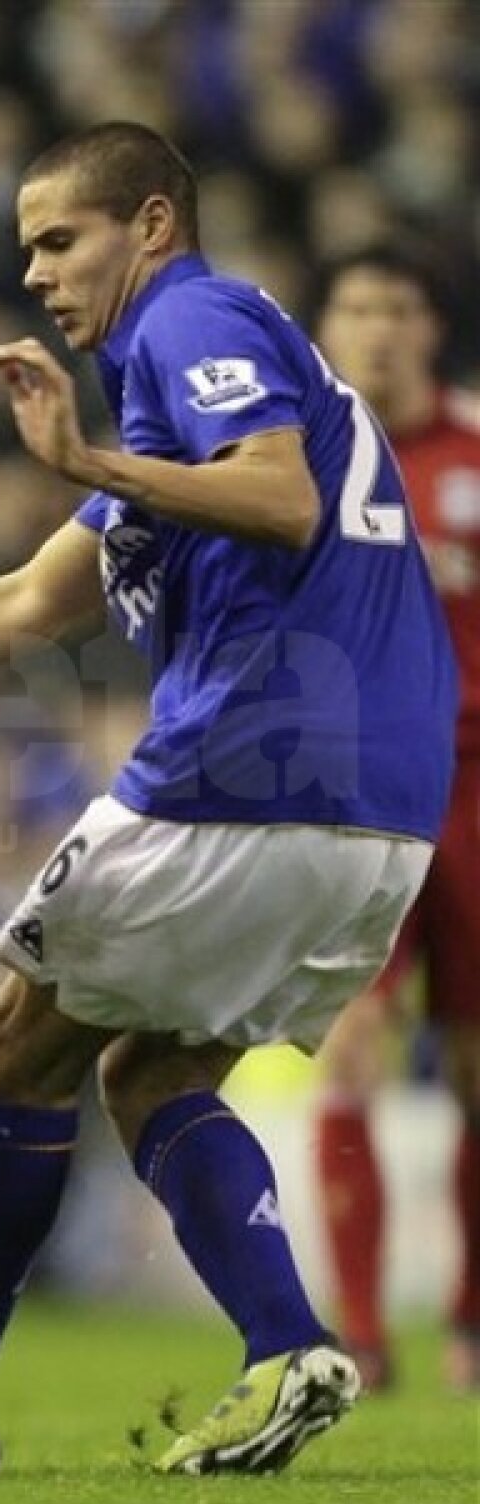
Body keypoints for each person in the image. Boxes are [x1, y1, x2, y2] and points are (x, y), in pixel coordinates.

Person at [0, 121, 456, 1479]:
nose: (36, 273)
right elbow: (23, 604)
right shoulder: (177, 404)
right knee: (156, 1068)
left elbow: (281, 498)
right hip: (380, 811)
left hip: (254, 759)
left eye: (60, 239)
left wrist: (89, 462)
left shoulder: (196, 324)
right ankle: (288, 1343)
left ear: (149, 226)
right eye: (24, 247)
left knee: (18, 1040)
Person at [310, 245, 480, 1394]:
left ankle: (469, 1317)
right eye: (354, 306)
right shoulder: (296, 460)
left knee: (472, 1069)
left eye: (397, 308)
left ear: (432, 329)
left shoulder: (473, 455)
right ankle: (362, 1335)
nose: (375, 328)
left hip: (472, 789)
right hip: (350, 789)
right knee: (351, 1051)